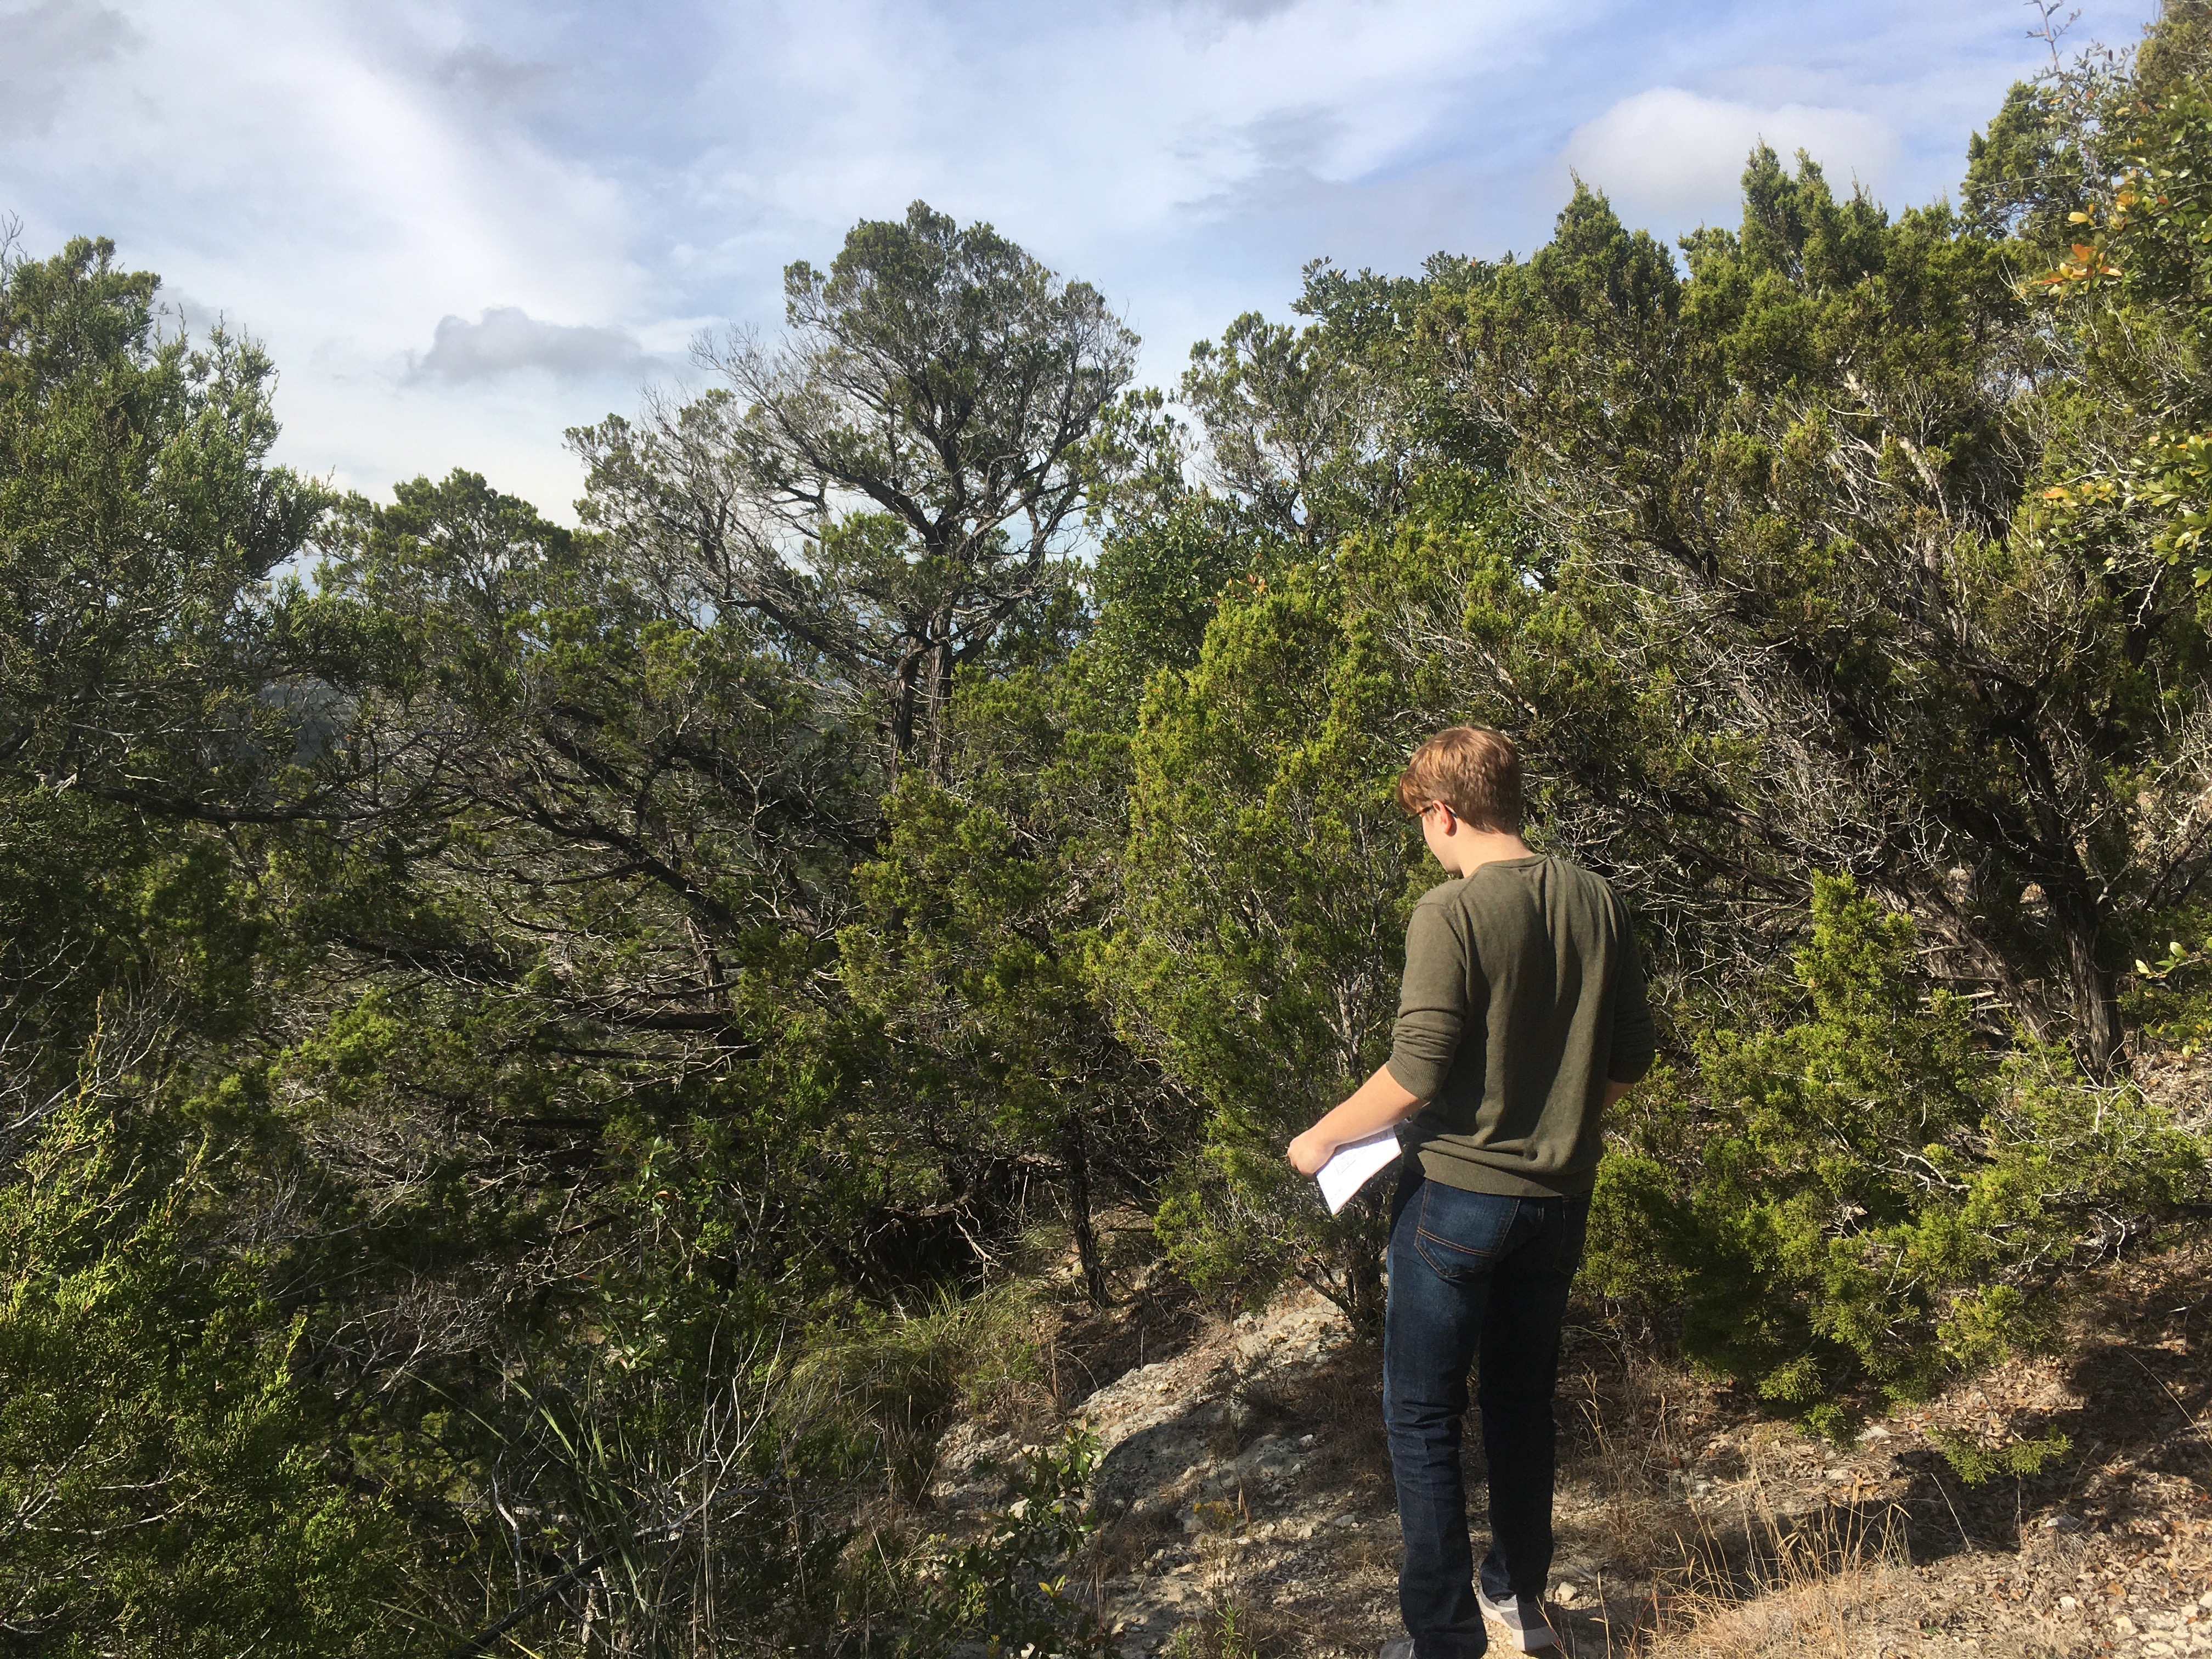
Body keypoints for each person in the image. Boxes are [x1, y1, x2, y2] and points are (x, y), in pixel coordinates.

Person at [1286, 726, 1655, 1658]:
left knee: (1421, 1416)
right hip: (1561, 1200)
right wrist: (1556, 1112)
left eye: (1422, 821)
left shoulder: (1448, 913)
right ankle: (1519, 1606)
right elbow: (1629, 1062)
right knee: (1524, 1406)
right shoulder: (1599, 900)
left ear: (1444, 811)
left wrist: (1323, 1135)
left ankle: (1443, 1640)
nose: (1425, 838)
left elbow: (1414, 1074)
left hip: (1456, 1201)